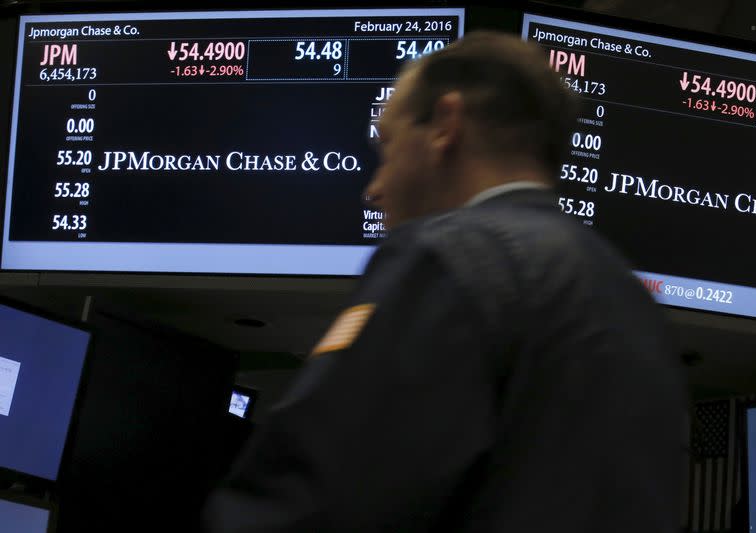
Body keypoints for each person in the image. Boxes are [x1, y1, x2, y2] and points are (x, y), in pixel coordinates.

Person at [204, 31, 688, 532]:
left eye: (387, 147)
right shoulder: (635, 305)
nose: (375, 188)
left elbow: (315, 500)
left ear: (445, 124)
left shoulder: (447, 257)